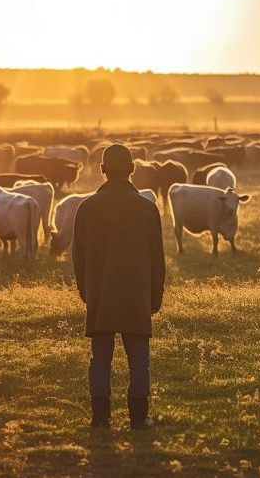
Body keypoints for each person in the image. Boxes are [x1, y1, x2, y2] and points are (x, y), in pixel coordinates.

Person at [73, 144, 166, 429]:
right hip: (136, 295)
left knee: (100, 358)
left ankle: (100, 417)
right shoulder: (147, 209)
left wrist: (87, 292)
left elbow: (79, 256)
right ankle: (139, 418)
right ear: (133, 170)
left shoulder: (86, 208)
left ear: (102, 170)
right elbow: (156, 260)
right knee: (139, 358)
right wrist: (154, 297)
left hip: (100, 294)